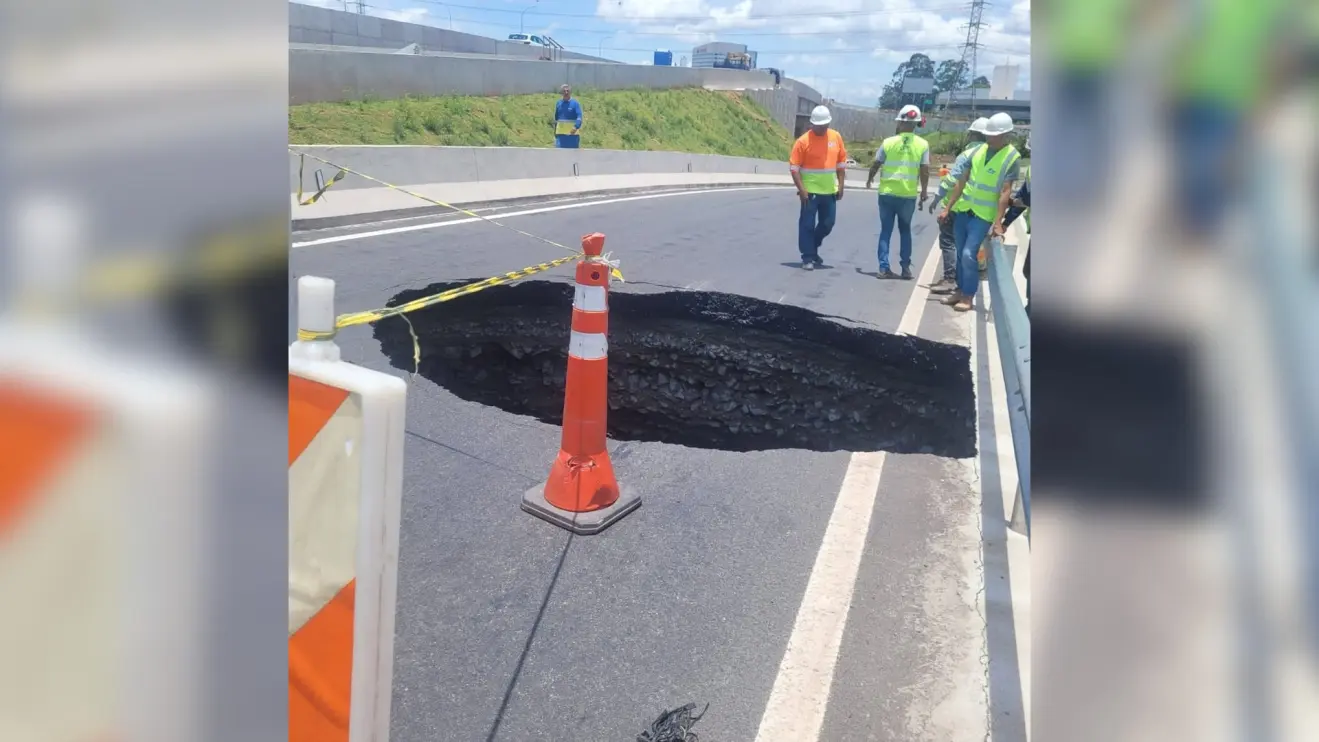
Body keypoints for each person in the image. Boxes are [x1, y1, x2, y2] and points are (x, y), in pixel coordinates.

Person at [938, 112, 1022, 312]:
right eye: (988, 135)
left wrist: (999, 222)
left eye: (993, 135)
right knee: (960, 253)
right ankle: (959, 290)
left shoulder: (1012, 157)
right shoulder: (977, 152)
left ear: (1006, 135)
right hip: (964, 210)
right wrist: (948, 207)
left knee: (969, 254)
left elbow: (1005, 192)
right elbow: (962, 182)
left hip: (984, 215)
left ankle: (968, 295)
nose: (989, 138)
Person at [865, 105, 930, 279]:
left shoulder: (888, 142)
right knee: (905, 231)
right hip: (907, 196)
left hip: (887, 193)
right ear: (916, 124)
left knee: (885, 230)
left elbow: (876, 163)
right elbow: (925, 170)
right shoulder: (923, 144)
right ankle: (906, 268)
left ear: (901, 122)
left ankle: (883, 267)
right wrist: (924, 190)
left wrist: (870, 179)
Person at [927, 117, 989, 295]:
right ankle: (977, 272)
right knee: (969, 244)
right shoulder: (990, 155)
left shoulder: (967, 155)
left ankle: (949, 279)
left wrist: (937, 199)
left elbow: (952, 180)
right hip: (981, 209)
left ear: (972, 135)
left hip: (958, 206)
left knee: (948, 242)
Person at [789, 105, 848, 270]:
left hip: (829, 191)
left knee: (828, 223)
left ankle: (813, 246)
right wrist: (802, 190)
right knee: (807, 224)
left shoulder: (835, 137)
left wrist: (841, 185)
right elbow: (794, 168)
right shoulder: (803, 142)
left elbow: (841, 163)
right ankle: (807, 257)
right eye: (819, 126)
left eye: (825, 126)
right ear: (812, 124)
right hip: (810, 192)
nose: (822, 129)